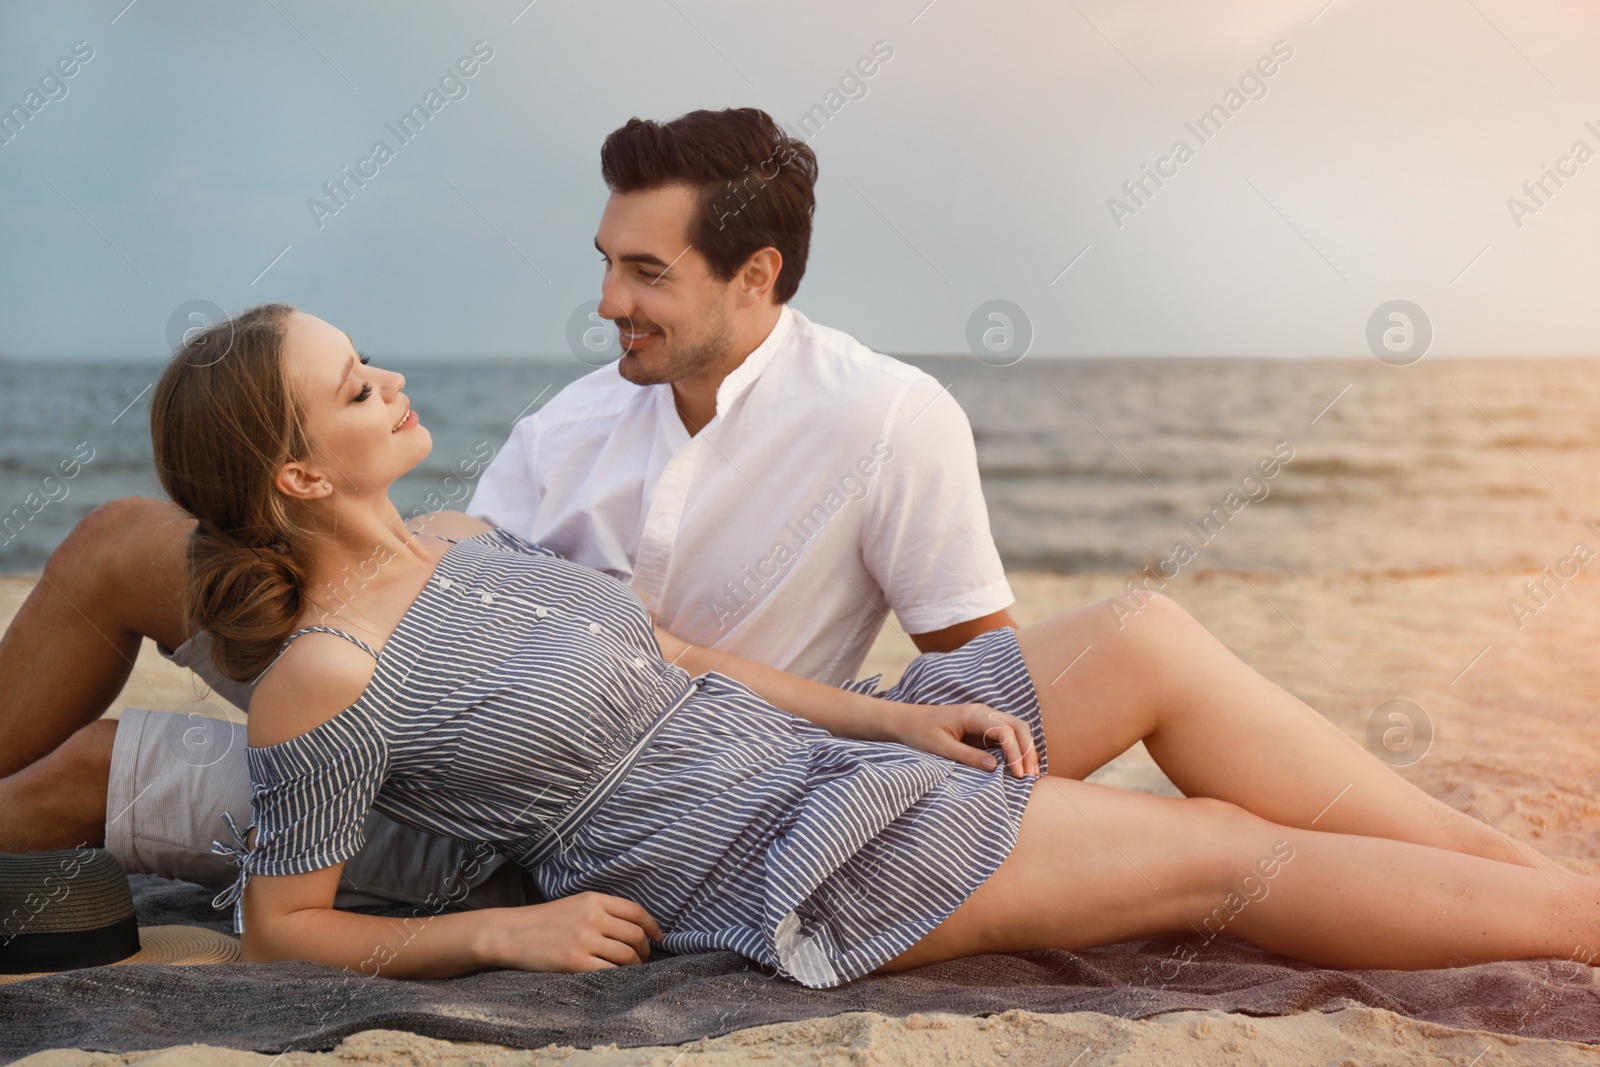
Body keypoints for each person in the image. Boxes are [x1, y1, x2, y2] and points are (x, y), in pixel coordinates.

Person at [166, 304, 1596, 986]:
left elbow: (675, 650)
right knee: (1221, 844)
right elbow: (284, 924)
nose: (396, 378)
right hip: (770, 847)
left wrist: (897, 717)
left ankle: (1524, 874)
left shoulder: (463, 537)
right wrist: (510, 927)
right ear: (298, 476)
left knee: (1146, 631)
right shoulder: (327, 674)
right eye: (358, 385)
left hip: (818, 742)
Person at [0, 108, 1014, 956]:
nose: (608, 302)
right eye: (608, 264)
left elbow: (976, 679)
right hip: (445, 738)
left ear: (753, 273)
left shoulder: (883, 417)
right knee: (118, 536)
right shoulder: (571, 420)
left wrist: (896, 741)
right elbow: (434, 611)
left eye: (646, 272)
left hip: (618, 808)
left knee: (93, 765)